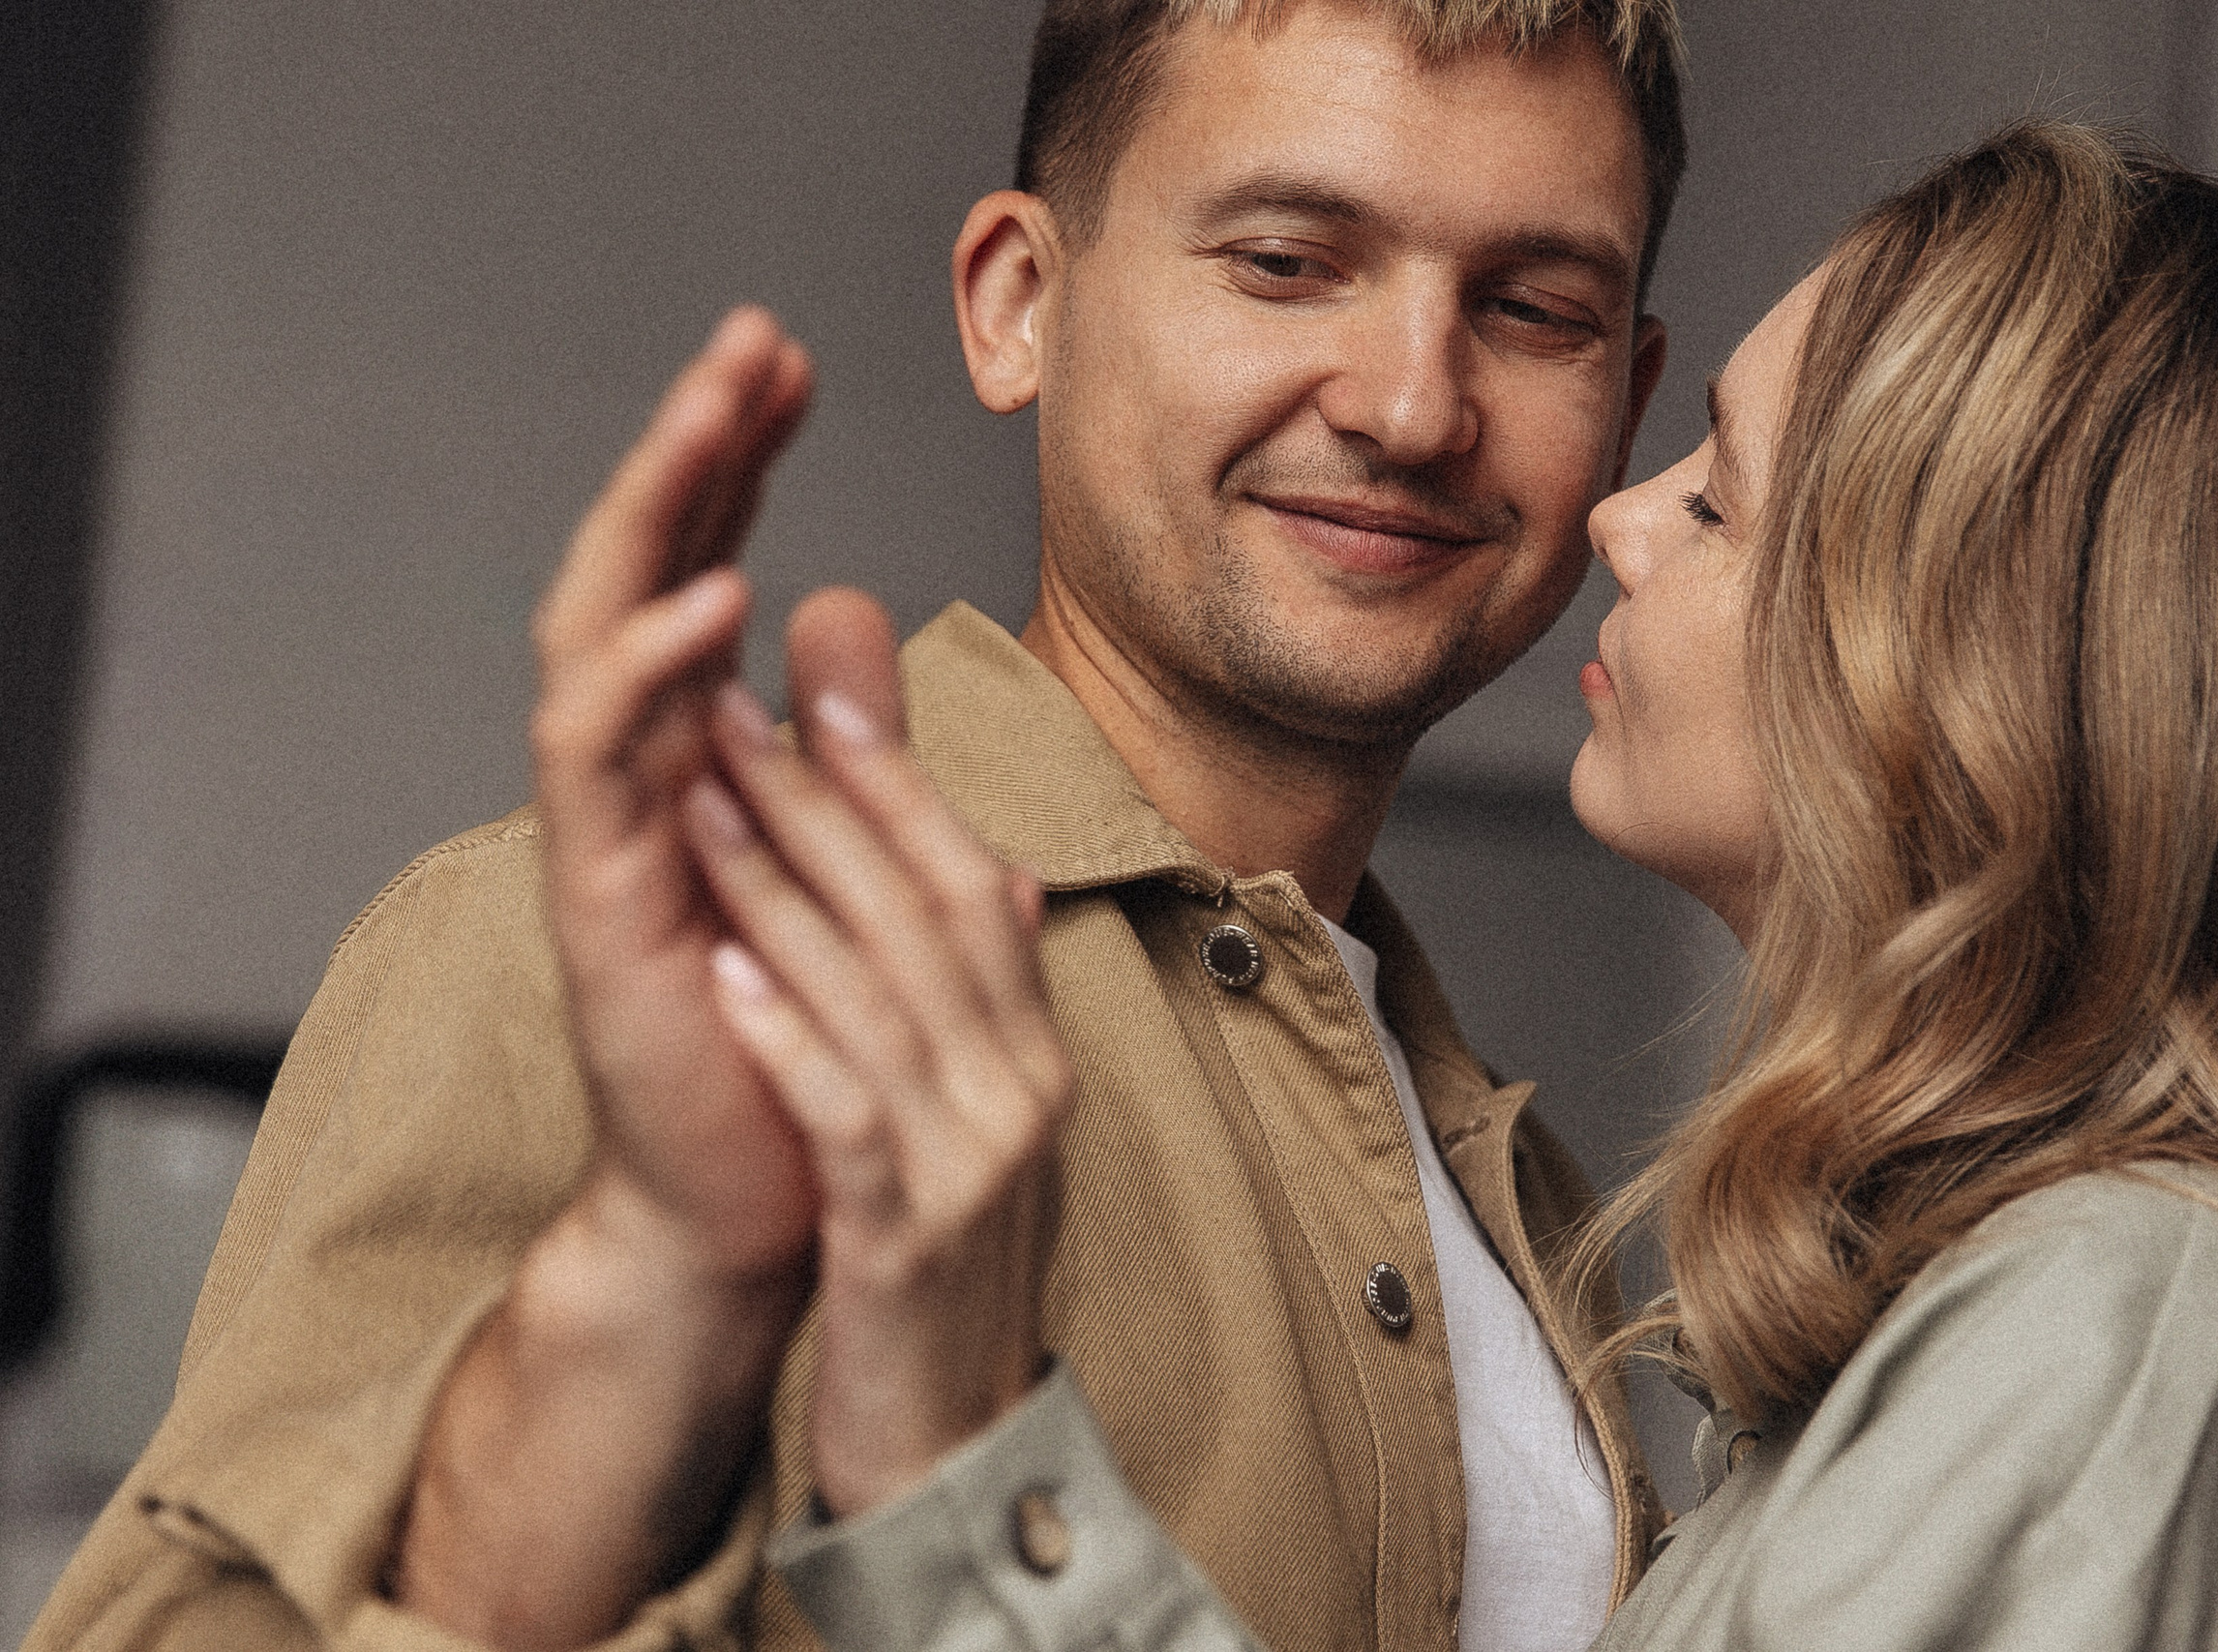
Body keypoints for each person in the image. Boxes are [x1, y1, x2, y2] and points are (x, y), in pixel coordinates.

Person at [27, 3, 1688, 1650]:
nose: (1413, 407)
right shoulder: (635, 960)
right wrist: (662, 1285)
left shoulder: (1530, 1207)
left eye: (1536, 311)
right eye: (1284, 262)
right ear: (1019, 305)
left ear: (1629, 400)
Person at [710, 124, 2218, 1650]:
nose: (1622, 517)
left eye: (1723, 500)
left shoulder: (2130, 1323)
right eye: (1283, 261)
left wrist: (958, 1478)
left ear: (2000, 675)